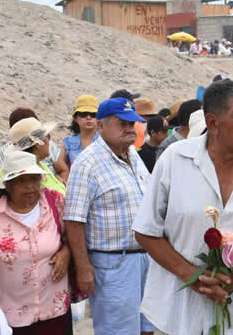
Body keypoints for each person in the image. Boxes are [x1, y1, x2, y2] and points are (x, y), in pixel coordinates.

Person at [133, 80, 233, 334]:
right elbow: (146, 230)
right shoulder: (175, 160)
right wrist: (191, 274)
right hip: (179, 314)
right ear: (212, 123)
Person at [63, 98, 154, 335]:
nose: (129, 128)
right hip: (113, 264)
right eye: (122, 123)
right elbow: (74, 219)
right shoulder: (87, 163)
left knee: (147, 327)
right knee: (118, 331)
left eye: (132, 123)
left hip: (146, 260)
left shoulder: (133, 154)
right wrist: (83, 267)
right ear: (101, 126)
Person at [0, 151, 72, 334]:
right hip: (8, 316)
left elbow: (74, 236)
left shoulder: (55, 202)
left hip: (54, 309)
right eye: (21, 180)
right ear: (8, 184)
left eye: (34, 179)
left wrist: (67, 251)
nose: (30, 187)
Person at [0, 107, 69, 182]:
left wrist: (59, 181)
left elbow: (63, 170)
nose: (48, 141)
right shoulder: (2, 156)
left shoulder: (44, 164)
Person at [61, 95, 100, 168]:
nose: (88, 117)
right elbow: (59, 163)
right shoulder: (68, 142)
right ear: (75, 118)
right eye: (83, 114)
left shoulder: (105, 140)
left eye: (93, 114)